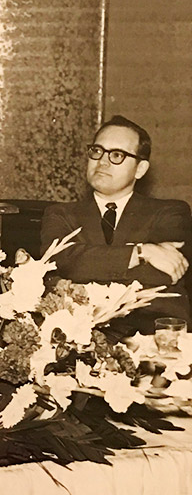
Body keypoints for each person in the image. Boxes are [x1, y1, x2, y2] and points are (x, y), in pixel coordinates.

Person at [41, 115, 191, 335]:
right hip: (80, 338)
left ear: (140, 169)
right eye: (97, 151)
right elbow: (61, 264)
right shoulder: (60, 214)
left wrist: (88, 268)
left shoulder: (170, 212)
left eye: (117, 155)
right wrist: (140, 252)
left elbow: (165, 273)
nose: (102, 161)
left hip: (154, 336)